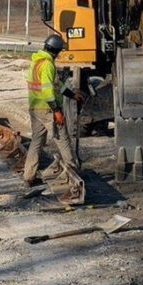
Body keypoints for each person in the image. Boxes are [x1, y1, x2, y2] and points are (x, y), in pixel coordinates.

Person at [25, 34, 84, 203]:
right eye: (59, 51)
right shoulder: (48, 65)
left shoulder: (36, 61)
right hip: (47, 108)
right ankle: (73, 173)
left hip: (35, 107)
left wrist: (73, 95)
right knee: (62, 139)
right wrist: (57, 111)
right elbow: (48, 91)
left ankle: (29, 176)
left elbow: (56, 85)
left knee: (37, 141)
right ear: (56, 50)